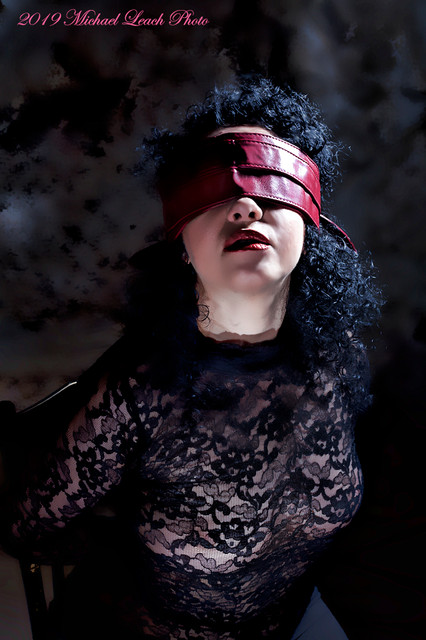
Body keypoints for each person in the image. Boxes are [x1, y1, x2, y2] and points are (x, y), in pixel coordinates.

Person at [0, 75, 382, 639]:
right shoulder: (141, 390)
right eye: (213, 190)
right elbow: (27, 530)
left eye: (271, 183)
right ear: (179, 241)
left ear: (309, 223)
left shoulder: (338, 358)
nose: (246, 204)